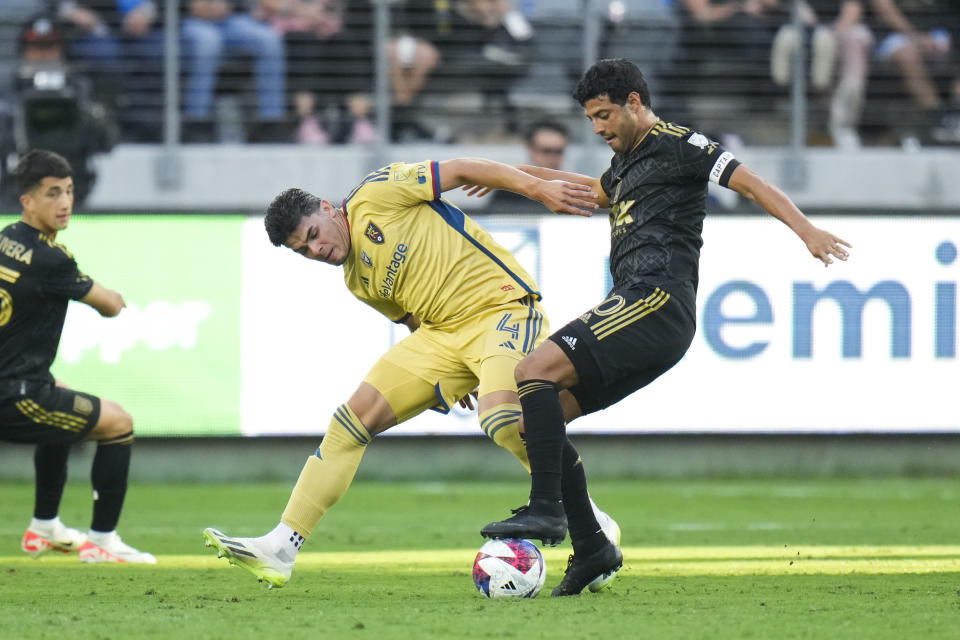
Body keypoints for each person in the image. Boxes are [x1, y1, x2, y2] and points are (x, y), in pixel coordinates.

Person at [478, 58, 852, 596]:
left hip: (656, 298)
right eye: (590, 120)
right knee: (535, 422)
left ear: (634, 102)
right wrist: (514, 178)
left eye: (604, 115)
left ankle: (546, 511)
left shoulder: (680, 144)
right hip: (639, 307)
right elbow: (591, 192)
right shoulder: (624, 163)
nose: (598, 128)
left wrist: (807, 231)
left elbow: (749, 182)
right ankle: (591, 548)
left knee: (532, 370)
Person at [202, 156, 619, 588]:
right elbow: (414, 320)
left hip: (501, 310)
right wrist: (455, 372)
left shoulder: (376, 193)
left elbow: (459, 169)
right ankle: (282, 548)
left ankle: (588, 518)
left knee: (500, 419)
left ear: (328, 209)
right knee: (349, 423)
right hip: (442, 335)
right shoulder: (356, 280)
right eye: (303, 250)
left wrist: (536, 188)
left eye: (313, 235)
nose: (316, 250)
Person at [0, 149, 154, 564]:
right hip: (13, 395)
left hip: (20, 382)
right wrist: (118, 299)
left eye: (69, 191)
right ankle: (103, 542)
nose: (65, 202)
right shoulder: (52, 258)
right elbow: (107, 304)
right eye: (52, 193)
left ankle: (44, 527)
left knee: (62, 404)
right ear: (27, 201)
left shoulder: (6, 238)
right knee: (118, 423)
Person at [487, 119, 569, 212]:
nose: (552, 157)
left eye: (558, 151)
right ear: (530, 149)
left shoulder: (572, 188)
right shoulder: (509, 188)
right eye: (546, 151)